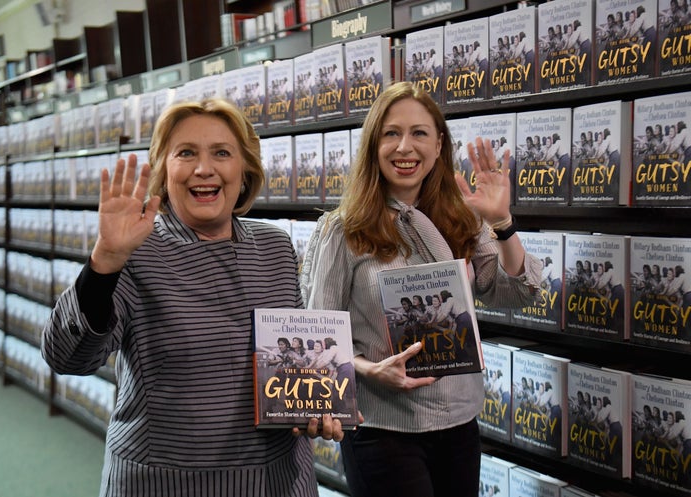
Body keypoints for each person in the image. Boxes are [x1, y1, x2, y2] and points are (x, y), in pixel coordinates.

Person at [41, 98, 343, 497]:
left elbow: (292, 364)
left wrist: (314, 407)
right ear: (164, 170)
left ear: (244, 168)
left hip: (280, 479)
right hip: (167, 483)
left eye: (221, 153)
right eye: (186, 153)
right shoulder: (137, 251)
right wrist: (105, 261)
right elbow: (67, 356)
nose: (205, 169)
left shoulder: (275, 246)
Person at [300, 82, 542, 497]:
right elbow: (317, 338)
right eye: (391, 133)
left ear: (438, 145)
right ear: (374, 145)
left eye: (419, 133)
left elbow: (517, 294)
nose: (404, 147)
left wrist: (502, 223)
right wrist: (369, 369)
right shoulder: (342, 229)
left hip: (460, 426)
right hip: (382, 429)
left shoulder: (463, 217)